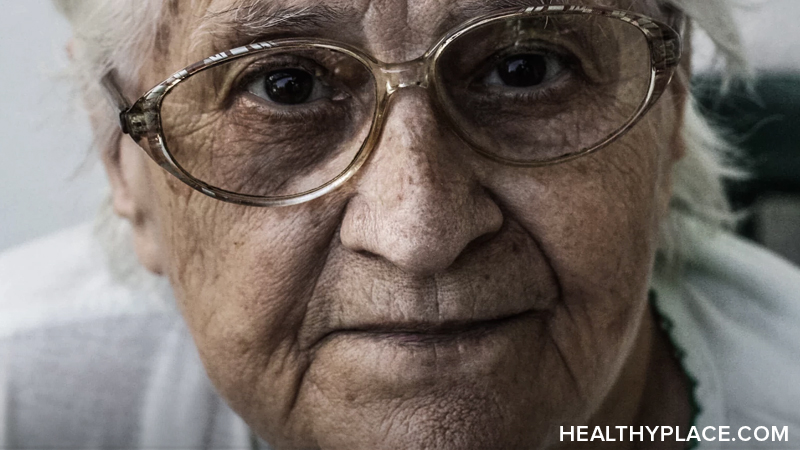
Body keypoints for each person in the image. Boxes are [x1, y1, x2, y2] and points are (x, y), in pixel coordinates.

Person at [1, 0, 799, 448]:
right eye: (284, 86)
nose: (419, 232)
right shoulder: (32, 405)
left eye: (524, 69)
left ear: (671, 105)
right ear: (120, 158)